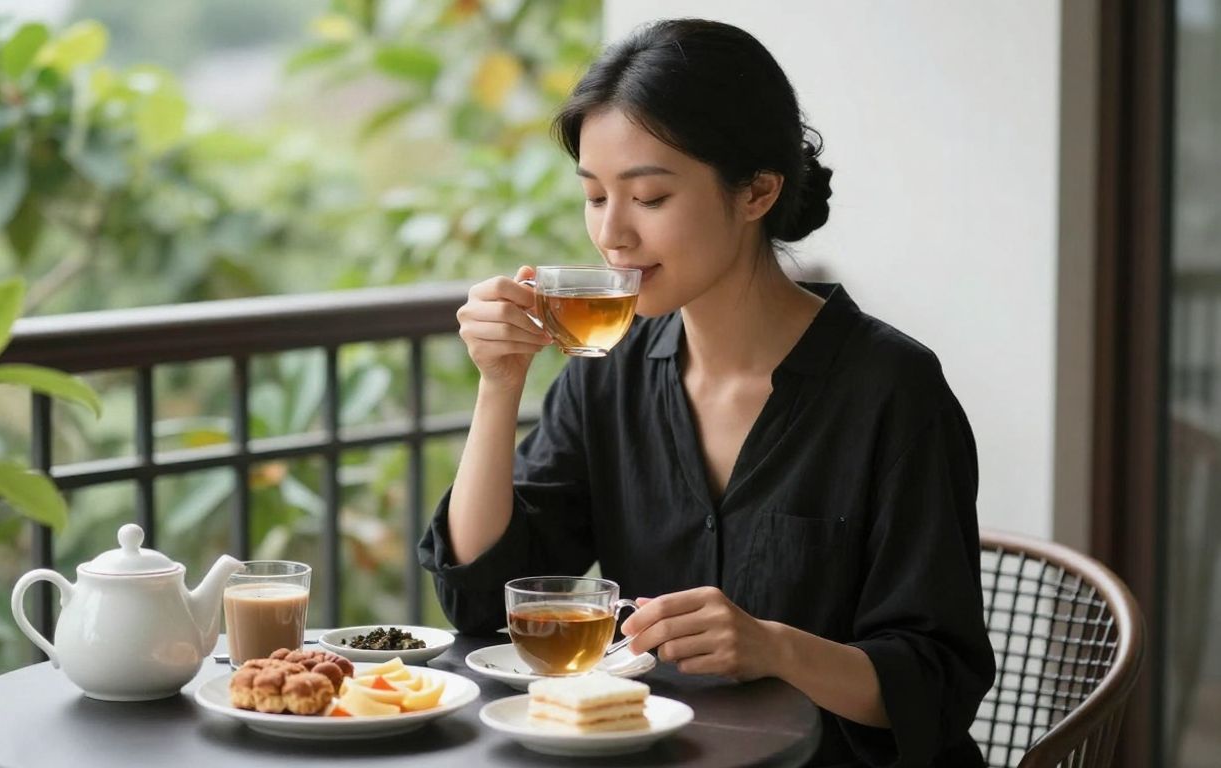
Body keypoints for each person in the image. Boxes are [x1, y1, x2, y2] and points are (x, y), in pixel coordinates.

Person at [417, 18, 995, 767]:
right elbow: (483, 604)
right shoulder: (607, 372)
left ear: (756, 191)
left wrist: (774, 646)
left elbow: (938, 684)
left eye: (649, 197)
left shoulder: (892, 390)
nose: (612, 235)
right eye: (594, 197)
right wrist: (499, 387)